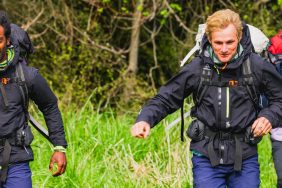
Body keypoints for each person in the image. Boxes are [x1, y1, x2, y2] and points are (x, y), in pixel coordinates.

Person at [131, 9, 282, 188]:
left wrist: (268, 117)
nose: (224, 49)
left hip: (245, 156)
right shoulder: (197, 68)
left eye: (230, 42)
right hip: (205, 157)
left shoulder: (256, 66)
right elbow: (166, 98)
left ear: (239, 38)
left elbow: (279, 99)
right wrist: (145, 119)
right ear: (209, 40)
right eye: (218, 43)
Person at [0, 11, 67, 187]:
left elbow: (50, 106)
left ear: (7, 41)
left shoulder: (27, 76)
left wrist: (59, 147)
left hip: (16, 159)